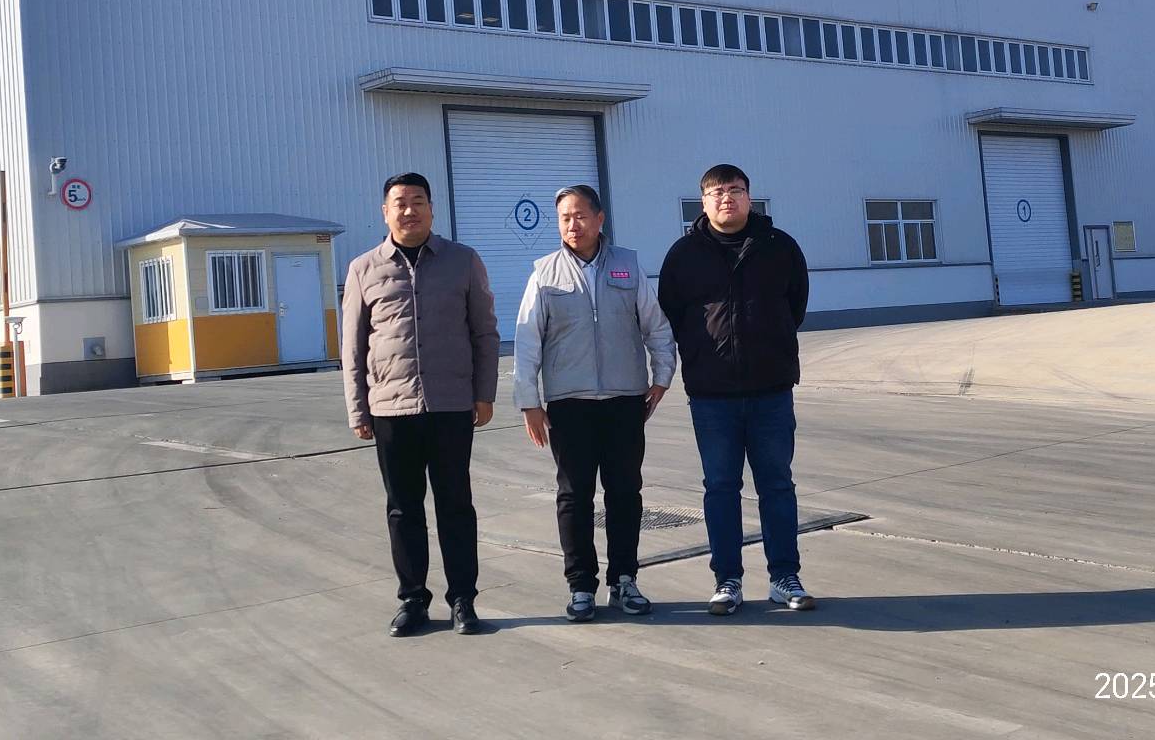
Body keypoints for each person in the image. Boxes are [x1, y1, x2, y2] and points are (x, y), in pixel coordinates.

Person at [342, 172, 499, 636]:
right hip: (391, 410)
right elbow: (352, 347)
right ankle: (413, 600)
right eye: (400, 202)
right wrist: (358, 409)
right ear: (385, 212)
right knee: (402, 508)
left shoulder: (463, 261)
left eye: (418, 201)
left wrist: (484, 393)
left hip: (451, 406)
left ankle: (463, 600)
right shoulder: (363, 268)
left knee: (456, 505)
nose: (409, 210)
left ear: (432, 208)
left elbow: (485, 333)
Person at [513, 184, 675, 622]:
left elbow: (656, 326)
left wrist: (661, 377)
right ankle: (581, 585)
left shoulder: (628, 266)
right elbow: (527, 342)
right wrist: (529, 402)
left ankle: (624, 580)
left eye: (581, 215)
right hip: (570, 405)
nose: (573, 225)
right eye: (565, 218)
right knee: (574, 496)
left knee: (625, 493)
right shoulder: (544, 274)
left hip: (625, 401)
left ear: (600, 219)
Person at [658, 163, 815, 615]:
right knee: (721, 488)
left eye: (736, 190)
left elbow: (795, 306)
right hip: (712, 396)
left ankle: (784, 577)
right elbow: (671, 314)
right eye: (717, 192)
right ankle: (727, 580)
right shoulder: (684, 254)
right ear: (703, 202)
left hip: (771, 392)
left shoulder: (779, 246)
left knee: (777, 485)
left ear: (749, 197)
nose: (727, 198)